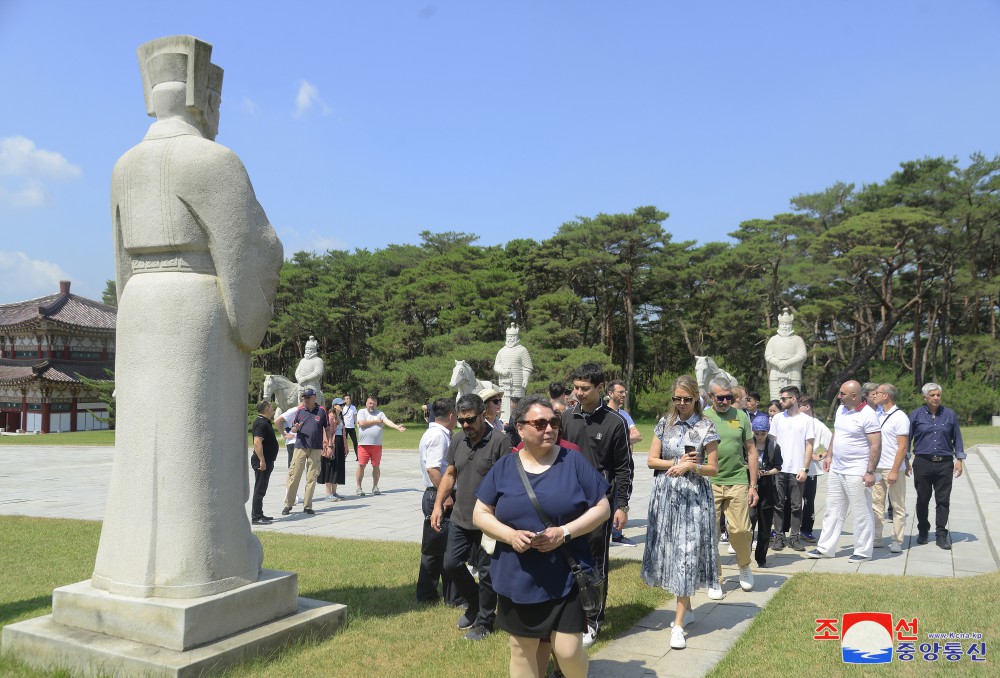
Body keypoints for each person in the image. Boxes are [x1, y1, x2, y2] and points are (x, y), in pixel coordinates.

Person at [94, 35, 283, 597]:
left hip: (140, 303)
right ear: (203, 97)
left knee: (144, 447)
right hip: (198, 303)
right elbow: (254, 244)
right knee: (202, 440)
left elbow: (119, 252)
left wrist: (128, 312)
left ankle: (129, 564)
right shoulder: (213, 160)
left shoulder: (124, 165)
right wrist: (250, 314)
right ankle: (206, 563)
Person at [473, 396, 610, 678]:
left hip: (567, 572)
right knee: (522, 649)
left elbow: (603, 508)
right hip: (517, 575)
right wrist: (510, 535)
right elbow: (480, 513)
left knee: (569, 651)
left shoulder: (573, 461)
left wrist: (564, 532)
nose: (549, 429)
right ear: (521, 429)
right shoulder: (504, 467)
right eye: (540, 423)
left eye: (554, 422)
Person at [641, 375, 720, 650]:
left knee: (687, 555)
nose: (682, 403)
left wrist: (691, 467)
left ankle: (677, 625)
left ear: (696, 398)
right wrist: (676, 462)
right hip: (665, 497)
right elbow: (651, 459)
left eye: (687, 399)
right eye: (678, 399)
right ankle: (685, 607)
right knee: (672, 555)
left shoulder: (706, 426)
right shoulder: (665, 423)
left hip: (694, 499)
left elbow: (713, 468)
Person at [560, 363, 634, 647]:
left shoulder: (615, 422)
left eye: (585, 389)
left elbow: (624, 468)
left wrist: (622, 505)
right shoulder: (566, 418)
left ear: (600, 388)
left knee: (594, 560)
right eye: (576, 388)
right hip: (568, 498)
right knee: (567, 557)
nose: (578, 393)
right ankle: (569, 613)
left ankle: (593, 619)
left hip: (599, 501)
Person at [431, 393, 512, 641]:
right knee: (450, 564)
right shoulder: (457, 440)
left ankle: (485, 622)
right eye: (462, 421)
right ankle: (475, 604)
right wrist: (437, 506)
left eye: (471, 420)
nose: (466, 425)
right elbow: (450, 474)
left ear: (483, 414)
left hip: (489, 519)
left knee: (486, 573)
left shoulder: (501, 441)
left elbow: (509, 482)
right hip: (461, 516)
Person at [806, 381, 881, 563]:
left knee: (860, 511)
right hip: (838, 468)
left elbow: (876, 445)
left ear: (854, 396)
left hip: (857, 470)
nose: (839, 396)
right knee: (832, 509)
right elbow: (836, 435)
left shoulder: (868, 415)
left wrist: (870, 471)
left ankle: (863, 551)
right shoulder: (842, 410)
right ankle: (826, 548)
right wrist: (829, 455)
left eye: (842, 394)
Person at [703, 376, 758, 595]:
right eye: (720, 398)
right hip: (710, 481)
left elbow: (751, 451)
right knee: (710, 533)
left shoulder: (742, 417)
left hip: (737, 479)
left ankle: (744, 566)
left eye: (729, 397)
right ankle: (715, 578)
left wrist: (753, 485)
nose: (725, 401)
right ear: (710, 397)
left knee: (741, 529)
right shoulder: (702, 418)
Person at [417, 398, 462, 606]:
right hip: (439, 495)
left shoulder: (435, 432)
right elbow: (434, 468)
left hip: (435, 494)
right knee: (445, 548)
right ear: (451, 415)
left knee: (435, 548)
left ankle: (428, 593)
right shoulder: (438, 436)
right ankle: (451, 596)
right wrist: (446, 496)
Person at [909, 382, 965, 550]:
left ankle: (941, 534)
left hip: (944, 464)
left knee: (943, 500)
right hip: (923, 463)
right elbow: (907, 438)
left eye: (938, 395)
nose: (936, 398)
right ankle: (923, 531)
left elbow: (958, 438)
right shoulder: (916, 415)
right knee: (922, 499)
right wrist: (905, 460)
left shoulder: (950, 415)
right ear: (925, 397)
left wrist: (960, 460)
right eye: (932, 395)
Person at [768, 386, 814, 552]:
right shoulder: (778, 418)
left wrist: (805, 468)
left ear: (793, 399)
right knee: (778, 505)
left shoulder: (806, 420)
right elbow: (771, 442)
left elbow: (809, 445)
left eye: (784, 399)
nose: (781, 401)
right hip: (779, 469)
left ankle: (794, 538)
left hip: (797, 469)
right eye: (780, 398)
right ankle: (779, 537)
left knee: (796, 506)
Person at [870, 384, 909, 553]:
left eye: (877, 393)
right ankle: (877, 538)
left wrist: (894, 470)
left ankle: (896, 540)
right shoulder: (877, 414)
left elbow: (902, 447)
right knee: (876, 505)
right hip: (877, 469)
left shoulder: (900, 417)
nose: (873, 395)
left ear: (886, 396)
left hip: (892, 468)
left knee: (897, 505)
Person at [606, 379, 642, 548]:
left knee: (621, 498)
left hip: (624, 463)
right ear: (610, 393)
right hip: (608, 465)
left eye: (624, 392)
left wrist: (618, 440)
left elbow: (638, 436)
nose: (623, 395)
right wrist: (624, 439)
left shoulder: (624, 414)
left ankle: (617, 534)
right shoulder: (604, 413)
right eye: (620, 392)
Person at [282, 388, 328, 516]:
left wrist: (328, 442)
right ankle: (288, 505)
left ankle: (307, 506)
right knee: (294, 476)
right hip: (300, 447)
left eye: (308, 397)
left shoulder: (322, 411)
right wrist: (295, 428)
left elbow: (327, 427)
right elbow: (293, 427)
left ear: (314, 397)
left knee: (311, 477)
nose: (305, 399)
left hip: (316, 448)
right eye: (304, 397)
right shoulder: (300, 411)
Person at [797, 395, 832, 543]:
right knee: (787, 500)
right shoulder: (795, 421)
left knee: (808, 500)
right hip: (792, 468)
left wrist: (819, 455)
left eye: (799, 404)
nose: (797, 407)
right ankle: (783, 528)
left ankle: (806, 529)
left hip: (810, 470)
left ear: (808, 406)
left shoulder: (818, 425)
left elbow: (829, 439)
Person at [355, 395, 406, 496]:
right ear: (366, 403)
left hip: (376, 445)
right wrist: (376, 421)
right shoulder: (362, 412)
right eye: (370, 403)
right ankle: (359, 487)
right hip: (363, 445)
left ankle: (375, 486)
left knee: (376, 466)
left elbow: (387, 421)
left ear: (376, 404)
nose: (371, 405)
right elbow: (361, 423)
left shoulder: (380, 413)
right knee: (361, 465)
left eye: (374, 404)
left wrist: (397, 427)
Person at [749, 413, 781, 567]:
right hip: (751, 488)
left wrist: (767, 472)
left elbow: (778, 468)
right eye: (757, 433)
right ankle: (745, 556)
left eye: (763, 433)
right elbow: (743, 464)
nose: (760, 436)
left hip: (767, 489)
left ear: (768, 432)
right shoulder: (748, 445)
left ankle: (761, 558)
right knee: (748, 524)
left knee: (765, 527)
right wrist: (752, 469)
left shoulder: (773, 446)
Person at [250, 401, 278, 525]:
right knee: (259, 489)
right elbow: (257, 442)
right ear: (266, 408)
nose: (273, 409)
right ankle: (256, 517)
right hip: (262, 461)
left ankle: (260, 513)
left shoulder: (265, 422)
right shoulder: (261, 423)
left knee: (262, 488)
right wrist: (262, 460)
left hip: (266, 460)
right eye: (271, 407)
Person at [319, 397, 346, 501]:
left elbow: (343, 434)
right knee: (329, 468)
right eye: (340, 405)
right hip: (332, 444)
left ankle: (334, 492)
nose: (342, 406)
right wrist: (328, 446)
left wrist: (345, 447)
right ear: (334, 405)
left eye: (343, 405)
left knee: (337, 468)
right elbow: (326, 432)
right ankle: (328, 493)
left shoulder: (340, 417)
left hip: (339, 443)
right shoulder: (330, 416)